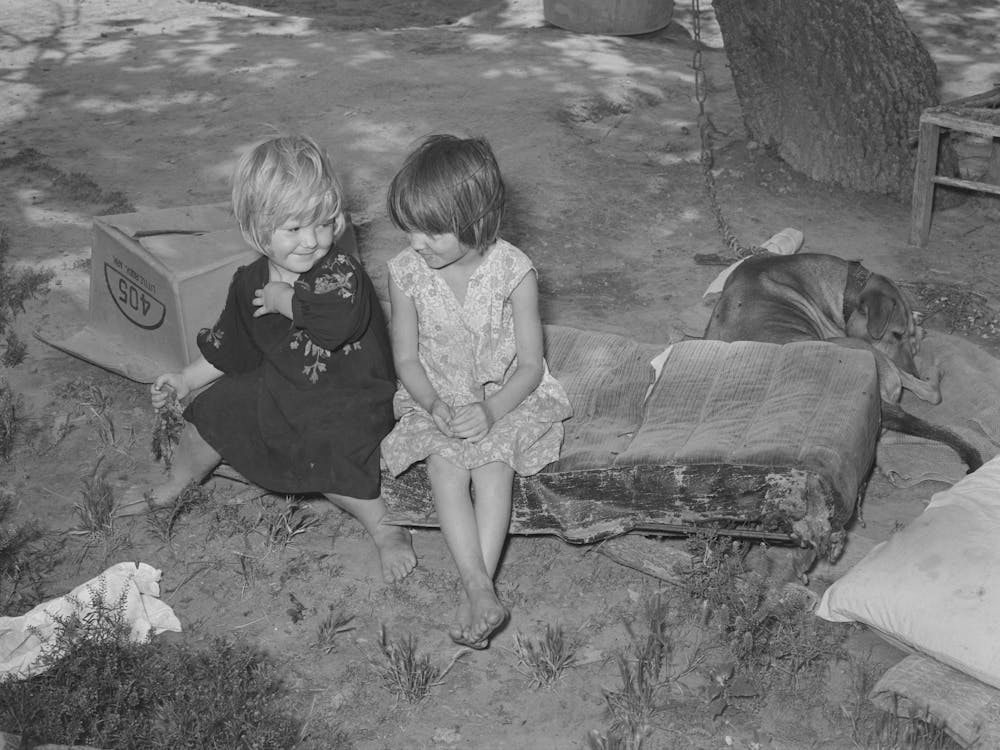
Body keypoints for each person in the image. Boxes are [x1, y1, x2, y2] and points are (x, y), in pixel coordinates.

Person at [118, 134, 416, 584]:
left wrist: (284, 299)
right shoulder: (247, 281)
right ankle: (176, 484)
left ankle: (385, 527)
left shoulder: (342, 273)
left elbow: (334, 326)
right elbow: (231, 348)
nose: (312, 240)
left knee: (331, 459)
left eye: (322, 223)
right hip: (284, 387)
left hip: (350, 397)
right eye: (293, 229)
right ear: (258, 230)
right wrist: (185, 378)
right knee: (213, 410)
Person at [381, 134, 572, 648]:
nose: (417, 242)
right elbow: (405, 357)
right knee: (446, 465)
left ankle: (476, 594)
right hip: (435, 394)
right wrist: (434, 404)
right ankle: (478, 588)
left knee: (492, 465)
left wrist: (490, 411)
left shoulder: (515, 271)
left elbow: (530, 366)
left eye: (431, 231)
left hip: (505, 394)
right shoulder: (406, 274)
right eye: (409, 228)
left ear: (477, 220)